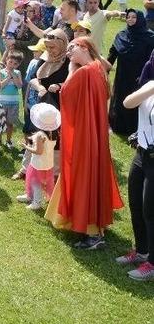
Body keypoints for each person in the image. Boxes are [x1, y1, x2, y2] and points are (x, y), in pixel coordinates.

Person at [46, 37, 123, 250]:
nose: (69, 53)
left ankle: (91, 232)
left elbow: (67, 93)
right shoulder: (98, 68)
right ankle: (89, 225)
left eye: (72, 49)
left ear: (85, 47)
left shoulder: (84, 72)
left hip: (85, 135)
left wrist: (71, 69)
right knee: (90, 174)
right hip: (94, 134)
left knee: (83, 175)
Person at [120, 80, 154, 280]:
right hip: (142, 153)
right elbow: (127, 103)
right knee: (135, 202)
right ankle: (142, 251)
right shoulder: (150, 84)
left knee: (150, 209)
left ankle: (152, 264)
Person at [108, 9, 154, 136]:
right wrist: (104, 69)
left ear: (140, 19)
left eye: (134, 17)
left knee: (135, 100)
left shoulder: (150, 37)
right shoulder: (122, 35)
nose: (130, 19)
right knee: (119, 99)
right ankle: (117, 125)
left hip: (140, 77)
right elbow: (112, 54)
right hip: (122, 75)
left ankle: (134, 129)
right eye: (128, 17)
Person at [16, 103, 60, 210]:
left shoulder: (40, 135)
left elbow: (38, 151)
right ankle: (29, 195)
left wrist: (26, 146)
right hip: (47, 163)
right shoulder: (53, 133)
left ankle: (37, 202)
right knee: (33, 181)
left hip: (38, 163)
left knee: (35, 182)